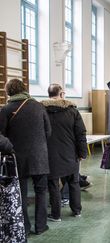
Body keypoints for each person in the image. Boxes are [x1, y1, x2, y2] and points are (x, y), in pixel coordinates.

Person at [0, 79, 51, 235]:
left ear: (9, 91)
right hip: (40, 156)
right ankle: (41, 226)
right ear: (23, 89)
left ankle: (25, 227)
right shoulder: (38, 106)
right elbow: (48, 132)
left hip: (17, 158)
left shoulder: (6, 109)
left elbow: (1, 134)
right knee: (41, 192)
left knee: (20, 194)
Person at [41, 84, 87, 221]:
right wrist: (82, 153)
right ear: (61, 94)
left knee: (53, 184)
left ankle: (56, 215)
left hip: (50, 154)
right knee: (74, 182)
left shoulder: (41, 110)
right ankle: (77, 210)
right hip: (70, 153)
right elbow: (81, 134)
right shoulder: (72, 111)